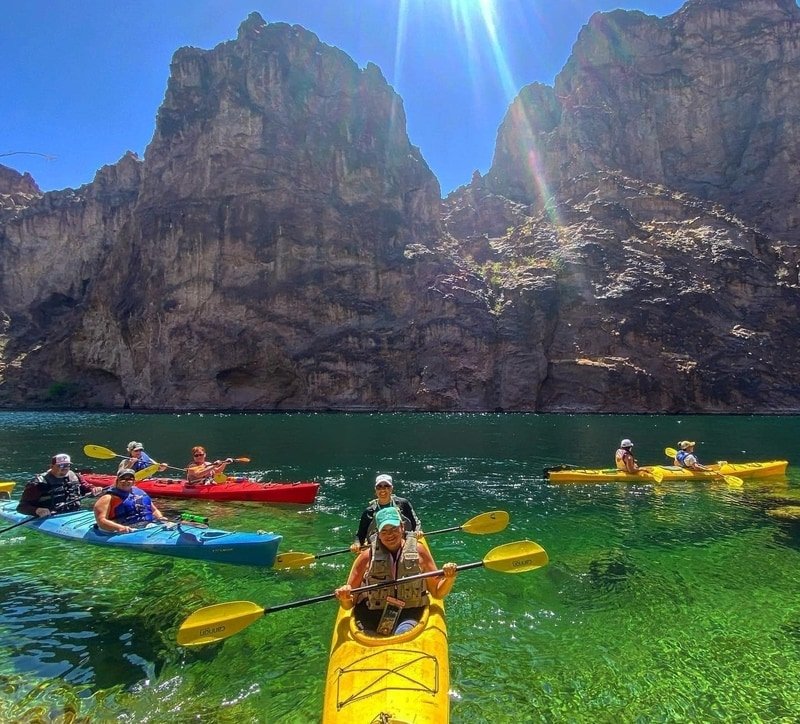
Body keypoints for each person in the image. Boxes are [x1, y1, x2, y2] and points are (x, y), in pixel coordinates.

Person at [335, 507, 457, 635]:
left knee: (403, 632)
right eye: (384, 531)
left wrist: (450, 577)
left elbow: (437, 593)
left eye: (394, 529)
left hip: (409, 612)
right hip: (372, 613)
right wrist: (345, 597)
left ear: (402, 527)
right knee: (369, 634)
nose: (390, 535)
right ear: (378, 533)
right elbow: (349, 605)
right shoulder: (366, 557)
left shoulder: (419, 551)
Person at [16, 453, 103, 517]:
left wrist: (94, 489)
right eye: (61, 465)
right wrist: (37, 510)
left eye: (67, 465)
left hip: (75, 512)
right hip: (50, 517)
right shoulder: (38, 483)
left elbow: (85, 487)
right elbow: (22, 507)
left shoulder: (75, 476)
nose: (65, 468)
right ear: (52, 466)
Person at [351, 474, 422, 552]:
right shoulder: (369, 512)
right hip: (377, 549)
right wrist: (357, 544)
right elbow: (360, 535)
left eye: (386, 486)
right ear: (375, 490)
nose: (382, 490)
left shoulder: (403, 504)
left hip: (403, 545)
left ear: (391, 489)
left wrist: (418, 532)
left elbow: (415, 524)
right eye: (379, 487)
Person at [93, 469, 173, 533]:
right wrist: (120, 528)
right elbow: (101, 521)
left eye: (129, 479)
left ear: (134, 481)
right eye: (122, 479)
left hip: (147, 525)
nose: (126, 481)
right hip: (125, 528)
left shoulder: (139, 492)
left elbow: (154, 510)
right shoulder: (107, 498)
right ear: (117, 480)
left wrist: (160, 517)